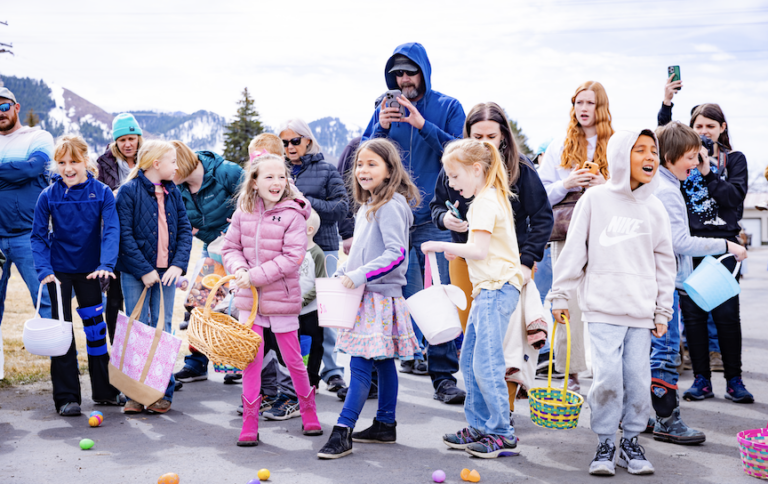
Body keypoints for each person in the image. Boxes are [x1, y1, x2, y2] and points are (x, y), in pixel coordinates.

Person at [549, 129, 676, 476]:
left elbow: (665, 263)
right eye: (640, 150)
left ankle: (630, 443)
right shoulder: (595, 199)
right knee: (606, 378)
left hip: (641, 312)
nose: (650, 157)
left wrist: (662, 309)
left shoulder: (655, 207)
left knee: (637, 380)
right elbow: (575, 250)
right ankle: (605, 443)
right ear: (621, 155)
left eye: (654, 151)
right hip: (602, 308)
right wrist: (560, 293)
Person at [430, 102, 553, 418]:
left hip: (508, 268)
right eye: (477, 136)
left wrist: (527, 261)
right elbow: (437, 205)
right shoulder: (457, 165)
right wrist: (445, 219)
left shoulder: (519, 169)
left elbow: (542, 217)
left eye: (491, 136)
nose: (485, 143)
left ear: (504, 137)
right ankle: (482, 418)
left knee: (503, 346)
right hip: (467, 265)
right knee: (475, 348)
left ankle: (502, 417)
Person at [362, 42, 466, 404]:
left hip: (433, 216)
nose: (404, 80)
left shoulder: (448, 107)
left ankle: (443, 377)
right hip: (390, 216)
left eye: (410, 73)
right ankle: (375, 375)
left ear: (424, 72)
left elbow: (460, 152)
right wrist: (380, 126)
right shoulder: (383, 110)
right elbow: (365, 156)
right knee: (384, 296)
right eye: (398, 75)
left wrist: (421, 124)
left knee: (438, 297)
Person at [317, 138, 421, 459]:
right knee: (383, 361)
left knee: (360, 364)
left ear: (390, 170)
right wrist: (344, 271)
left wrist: (359, 275)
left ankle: (343, 431)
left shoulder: (390, 206)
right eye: (360, 164)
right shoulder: (369, 206)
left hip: (378, 298)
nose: (363, 170)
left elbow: (396, 253)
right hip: (366, 296)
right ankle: (385, 424)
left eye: (372, 164)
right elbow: (363, 253)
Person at [422, 139, 522, 459]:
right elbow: (482, 249)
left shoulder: (484, 202)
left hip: (496, 288)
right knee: (469, 359)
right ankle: (479, 426)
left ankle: (502, 433)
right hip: (487, 289)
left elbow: (478, 250)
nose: (451, 184)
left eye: (454, 176)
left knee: (485, 362)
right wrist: (458, 249)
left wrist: (440, 245)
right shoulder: (486, 199)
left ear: (476, 169)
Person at [651, 121, 747, 444]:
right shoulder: (668, 191)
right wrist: (726, 244)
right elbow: (680, 241)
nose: (695, 164)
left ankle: (639, 415)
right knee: (666, 354)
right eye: (690, 157)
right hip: (663, 286)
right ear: (669, 157)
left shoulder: (661, 184)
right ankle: (667, 420)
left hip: (661, 281)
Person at [222, 153, 322, 446]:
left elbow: (292, 258)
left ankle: (308, 411)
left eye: (282, 176)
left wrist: (253, 276)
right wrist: (240, 270)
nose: (277, 182)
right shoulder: (243, 212)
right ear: (254, 182)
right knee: (251, 362)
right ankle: (249, 422)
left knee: (293, 360)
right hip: (249, 301)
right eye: (269, 176)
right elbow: (230, 248)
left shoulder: (293, 215)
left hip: (282, 299)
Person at [30, 134, 124, 415]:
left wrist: (106, 264)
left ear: (86, 160)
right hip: (58, 275)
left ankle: (105, 392)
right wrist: (44, 270)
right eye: (61, 162)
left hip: (92, 272)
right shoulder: (48, 195)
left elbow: (111, 230)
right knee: (62, 334)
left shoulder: (102, 193)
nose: (68, 168)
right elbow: (37, 236)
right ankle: (67, 398)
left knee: (96, 332)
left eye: (74, 161)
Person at [672, 104, 751, 404]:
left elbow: (733, 198)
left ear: (722, 128)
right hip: (691, 246)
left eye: (710, 126)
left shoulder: (734, 159)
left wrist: (707, 172)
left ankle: (734, 381)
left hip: (725, 248)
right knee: (693, 317)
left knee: (727, 316)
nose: (704, 132)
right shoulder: (684, 162)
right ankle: (701, 380)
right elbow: (664, 139)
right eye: (699, 126)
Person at [538, 80, 614, 393]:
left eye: (590, 103)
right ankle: (569, 372)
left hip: (606, 234)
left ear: (601, 107)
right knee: (566, 302)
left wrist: (603, 185)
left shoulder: (618, 144)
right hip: (566, 233)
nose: (583, 108)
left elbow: (633, 191)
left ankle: (608, 372)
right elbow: (540, 194)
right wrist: (567, 183)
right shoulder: (559, 144)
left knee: (605, 303)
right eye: (578, 102)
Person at [115, 140, 193, 415]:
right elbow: (124, 235)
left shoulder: (174, 192)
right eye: (173, 161)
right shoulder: (128, 192)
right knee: (139, 327)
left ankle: (161, 393)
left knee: (163, 330)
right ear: (156, 163)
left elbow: (185, 230)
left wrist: (178, 265)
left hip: (166, 274)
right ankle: (135, 395)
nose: (177, 167)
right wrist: (144, 270)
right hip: (135, 272)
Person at [279, 119, 349, 396]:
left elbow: (341, 208)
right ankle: (297, 373)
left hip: (324, 249)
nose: (289, 146)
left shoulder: (327, 170)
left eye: (295, 141)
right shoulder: (278, 170)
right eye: (285, 142)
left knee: (325, 312)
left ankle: (332, 372)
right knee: (292, 313)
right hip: (287, 252)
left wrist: (305, 201)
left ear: (308, 140)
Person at [171, 140, 243, 384]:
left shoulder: (226, 172)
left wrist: (237, 223)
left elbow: (254, 199)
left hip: (239, 249)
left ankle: (236, 362)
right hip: (211, 249)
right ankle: (196, 363)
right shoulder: (177, 188)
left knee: (235, 306)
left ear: (181, 163)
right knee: (199, 304)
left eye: (171, 165)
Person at [0, 87, 53, 379]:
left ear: (16, 107)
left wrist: (20, 172)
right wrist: (14, 173)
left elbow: (33, 169)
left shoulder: (38, 136)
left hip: (28, 235)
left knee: (46, 300)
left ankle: (63, 377)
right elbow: (21, 173)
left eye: (3, 106)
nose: (0, 113)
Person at [96, 113, 144, 343]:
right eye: (122, 139)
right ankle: (117, 349)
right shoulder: (103, 163)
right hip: (114, 235)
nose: (127, 144)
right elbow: (96, 197)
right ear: (115, 141)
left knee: (140, 296)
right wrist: (112, 196)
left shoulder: (148, 160)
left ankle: (139, 349)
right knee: (115, 297)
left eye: (131, 138)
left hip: (142, 235)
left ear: (138, 138)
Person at [298, 209, 325, 388]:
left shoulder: (317, 253)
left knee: (315, 345)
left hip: (311, 310)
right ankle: (295, 380)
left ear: (309, 230)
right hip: (292, 310)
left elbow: (320, 282)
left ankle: (312, 380)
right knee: (295, 346)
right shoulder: (291, 251)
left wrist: (304, 300)